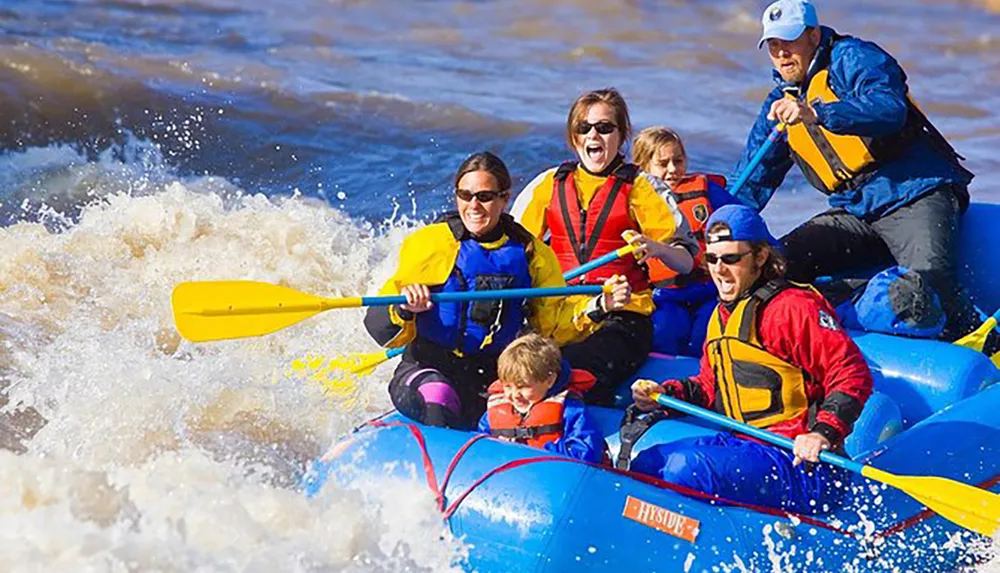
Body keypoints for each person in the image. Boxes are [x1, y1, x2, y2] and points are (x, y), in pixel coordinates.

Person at [731, 0, 998, 359]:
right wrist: (711, 230)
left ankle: (980, 356)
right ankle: (828, 336)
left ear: (813, 35)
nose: (781, 54)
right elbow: (751, 183)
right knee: (776, 265)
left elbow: (888, 109)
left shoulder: (854, 58)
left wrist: (817, 113)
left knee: (929, 287)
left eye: (789, 42)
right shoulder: (778, 105)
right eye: (773, 46)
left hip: (914, 194)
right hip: (856, 212)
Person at [629, 204, 873, 514]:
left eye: (731, 258)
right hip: (747, 448)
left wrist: (822, 433)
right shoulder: (720, 316)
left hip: (802, 464)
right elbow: (710, 386)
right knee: (645, 464)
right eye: (712, 259)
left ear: (760, 257)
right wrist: (666, 394)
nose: (719, 269)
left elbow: (852, 374)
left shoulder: (793, 307)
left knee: (685, 468)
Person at [364, 151, 631, 430]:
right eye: (464, 195)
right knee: (439, 396)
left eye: (485, 196)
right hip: (430, 367)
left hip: (494, 372)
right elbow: (379, 328)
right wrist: (405, 308)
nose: (473, 205)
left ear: (505, 198)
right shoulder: (432, 244)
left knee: (558, 384)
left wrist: (601, 305)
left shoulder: (532, 253)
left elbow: (552, 326)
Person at [511, 88, 699, 405]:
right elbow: (511, 249)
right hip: (560, 314)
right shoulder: (548, 184)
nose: (593, 135)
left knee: (570, 372)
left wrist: (657, 248)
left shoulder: (642, 187)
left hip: (622, 316)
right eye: (584, 128)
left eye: (604, 127)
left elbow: (685, 262)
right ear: (574, 137)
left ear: (621, 135)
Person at [633, 126, 742, 357]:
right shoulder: (633, 203)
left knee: (707, 333)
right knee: (665, 332)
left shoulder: (707, 192)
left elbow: (744, 222)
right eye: (663, 163)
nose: (673, 169)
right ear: (643, 166)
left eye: (678, 160)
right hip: (664, 296)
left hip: (709, 290)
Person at [478, 333, 607, 464]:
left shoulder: (571, 411)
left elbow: (586, 452)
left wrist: (530, 453)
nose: (514, 395)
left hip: (553, 477)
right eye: (507, 386)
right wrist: (496, 448)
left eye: (523, 387)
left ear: (550, 380)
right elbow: (477, 445)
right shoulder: (493, 413)